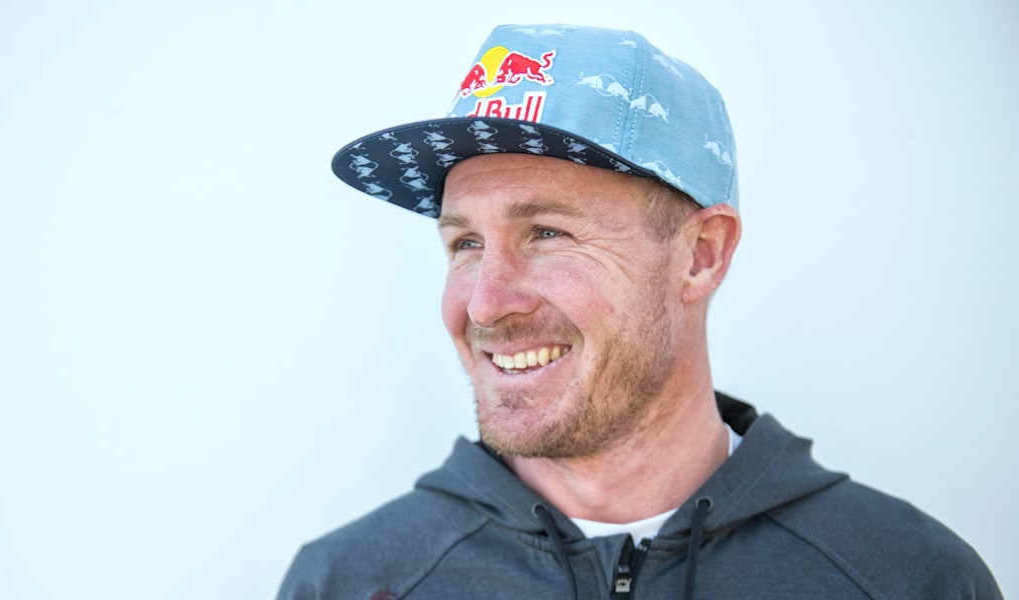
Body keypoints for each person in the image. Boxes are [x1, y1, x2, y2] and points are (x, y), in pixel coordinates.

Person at [277, 24, 1001, 599]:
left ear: (702, 255)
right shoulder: (350, 582)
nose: (487, 302)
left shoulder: (910, 579)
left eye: (547, 233)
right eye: (465, 242)